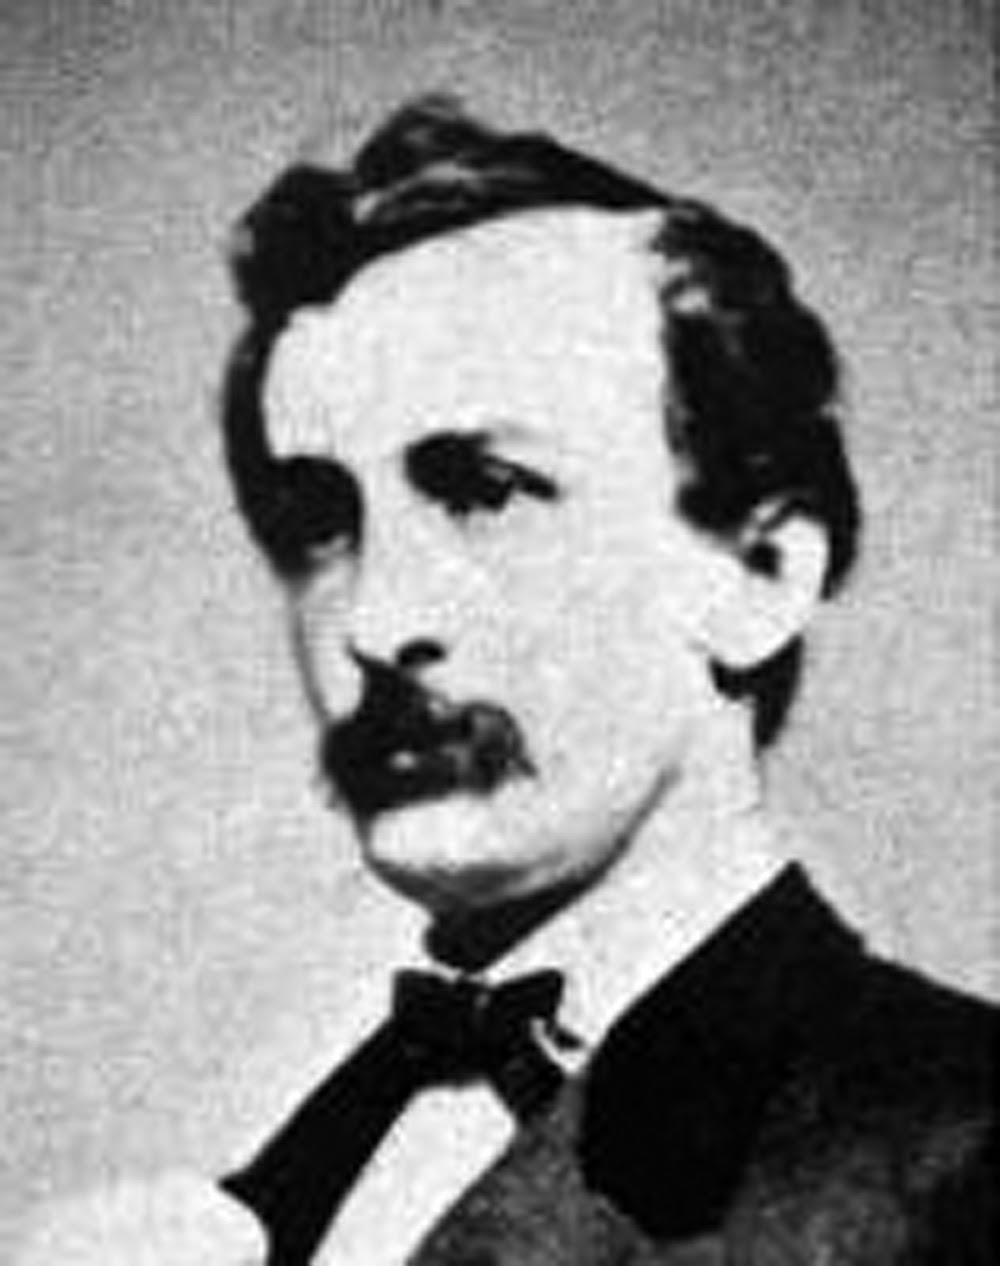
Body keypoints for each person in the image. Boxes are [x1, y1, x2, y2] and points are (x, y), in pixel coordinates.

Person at [20, 96, 995, 1265]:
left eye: (485, 490)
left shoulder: (962, 1163)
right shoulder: (277, 1186)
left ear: (760, 577)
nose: (375, 621)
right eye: (321, 520)